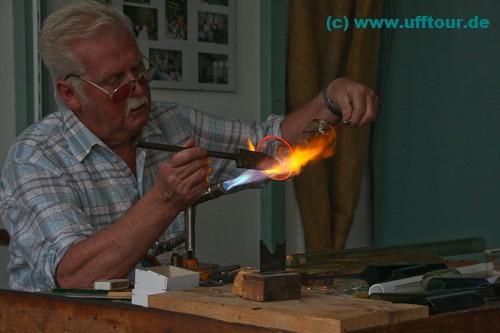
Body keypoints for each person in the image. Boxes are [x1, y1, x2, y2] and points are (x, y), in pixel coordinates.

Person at [0, 0, 378, 292]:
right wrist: (164, 201)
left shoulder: (170, 123)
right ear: (70, 93)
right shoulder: (37, 158)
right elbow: (76, 276)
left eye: (139, 71)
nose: (137, 90)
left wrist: (327, 102)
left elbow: (267, 147)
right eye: (116, 82)